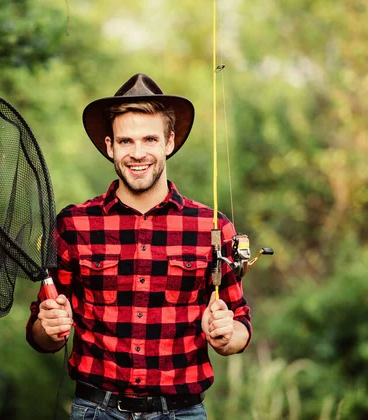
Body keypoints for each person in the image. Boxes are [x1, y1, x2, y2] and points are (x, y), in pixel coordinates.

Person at [26, 74, 251, 420]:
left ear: (169, 142)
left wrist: (225, 335)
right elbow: (41, 336)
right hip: (96, 410)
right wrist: (49, 327)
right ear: (110, 146)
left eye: (150, 139)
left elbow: (240, 325)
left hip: (182, 412)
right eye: (126, 141)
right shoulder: (74, 224)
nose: (138, 153)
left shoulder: (212, 227)